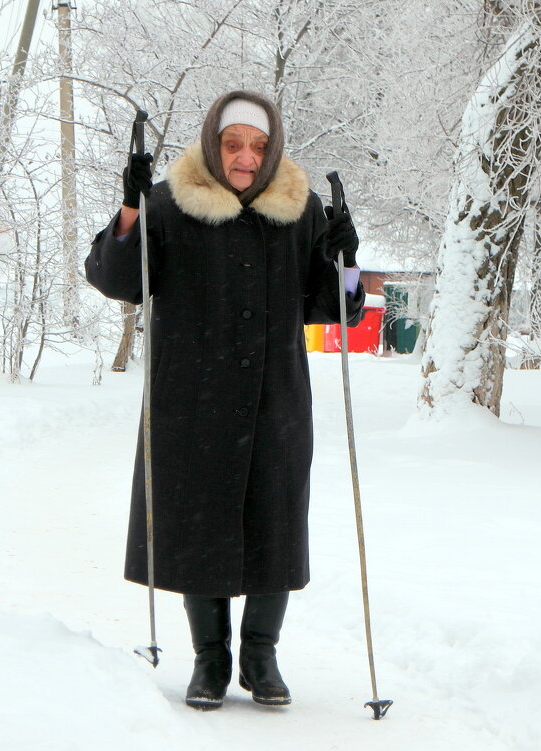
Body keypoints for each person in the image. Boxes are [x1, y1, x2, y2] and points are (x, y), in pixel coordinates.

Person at [85, 90, 365, 710]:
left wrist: (346, 258)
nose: (245, 157)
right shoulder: (169, 205)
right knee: (198, 524)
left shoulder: (301, 211)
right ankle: (210, 660)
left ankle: (260, 657)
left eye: (258, 147)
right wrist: (130, 208)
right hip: (193, 397)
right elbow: (115, 279)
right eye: (233, 144)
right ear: (213, 143)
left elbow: (337, 306)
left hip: (276, 400)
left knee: (274, 522)